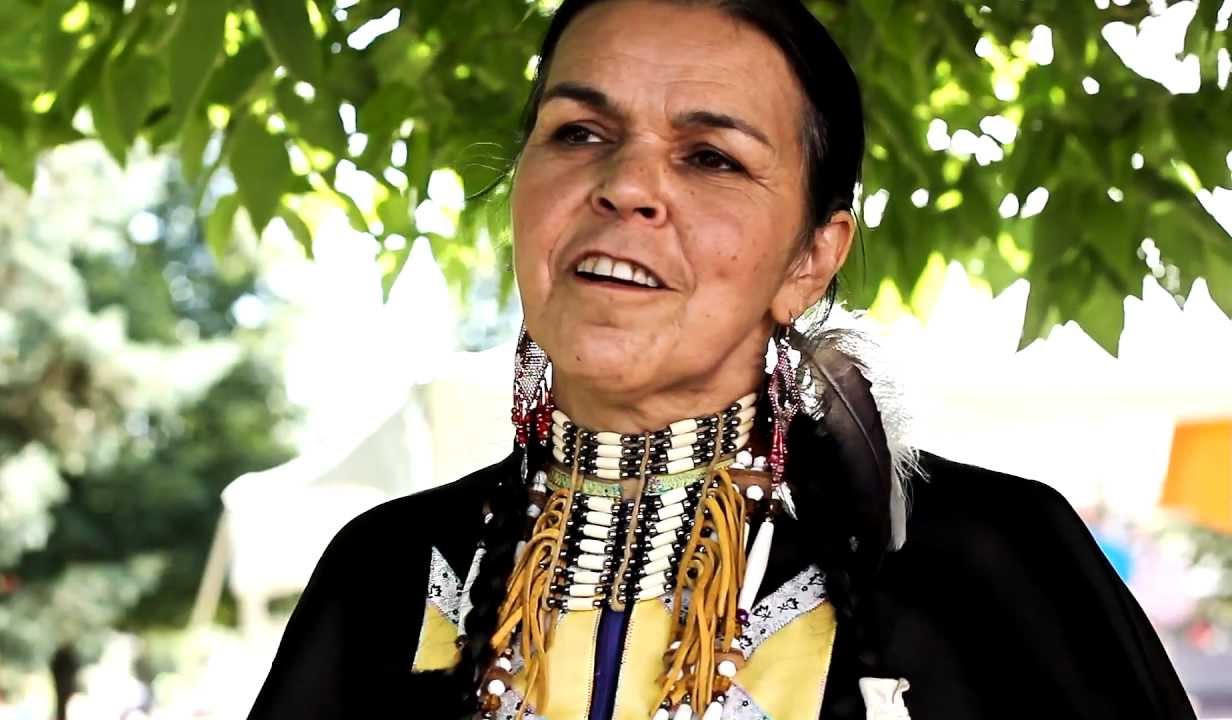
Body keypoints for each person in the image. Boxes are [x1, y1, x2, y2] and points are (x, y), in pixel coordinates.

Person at [247, 1, 1195, 718]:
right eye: (580, 133)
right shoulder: (385, 572)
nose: (625, 187)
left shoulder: (988, 563)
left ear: (811, 257)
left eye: (711, 158)